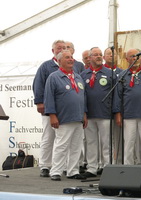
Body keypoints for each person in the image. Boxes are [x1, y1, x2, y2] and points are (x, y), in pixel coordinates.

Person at [44, 50, 87, 181]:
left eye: (72, 57)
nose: (71, 59)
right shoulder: (54, 77)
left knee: (76, 147)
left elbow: (83, 97)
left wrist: (85, 114)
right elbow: (49, 98)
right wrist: (52, 115)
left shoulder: (78, 77)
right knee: (61, 146)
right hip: (63, 118)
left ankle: (72, 171)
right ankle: (56, 171)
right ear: (59, 61)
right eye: (67, 57)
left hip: (78, 118)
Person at [114, 48, 141, 177]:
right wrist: (118, 113)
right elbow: (117, 96)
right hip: (129, 114)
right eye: (131, 56)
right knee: (129, 142)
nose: (135, 58)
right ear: (127, 59)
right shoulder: (122, 76)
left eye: (137, 56)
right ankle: (128, 168)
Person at [80, 47, 116, 178]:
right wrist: (83, 112)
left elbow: (116, 94)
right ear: (89, 58)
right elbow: (81, 95)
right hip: (89, 115)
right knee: (91, 142)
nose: (99, 57)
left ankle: (108, 167)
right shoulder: (83, 75)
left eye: (100, 55)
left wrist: (116, 111)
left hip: (105, 114)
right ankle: (92, 168)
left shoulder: (110, 73)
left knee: (106, 143)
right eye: (95, 55)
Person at [33, 40, 66, 178]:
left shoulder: (71, 66)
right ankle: (45, 165)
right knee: (48, 137)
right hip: (49, 109)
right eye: (59, 48)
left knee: (63, 139)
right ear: (53, 51)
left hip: (65, 110)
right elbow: (38, 84)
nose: (61, 50)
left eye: (64, 48)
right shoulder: (46, 66)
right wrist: (39, 102)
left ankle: (62, 166)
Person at [103, 47, 123, 164]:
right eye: (109, 54)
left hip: (118, 111)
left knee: (118, 138)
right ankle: (104, 163)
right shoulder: (100, 72)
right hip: (104, 111)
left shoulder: (122, 72)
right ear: (104, 57)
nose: (111, 56)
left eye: (113, 54)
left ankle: (119, 162)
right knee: (105, 140)